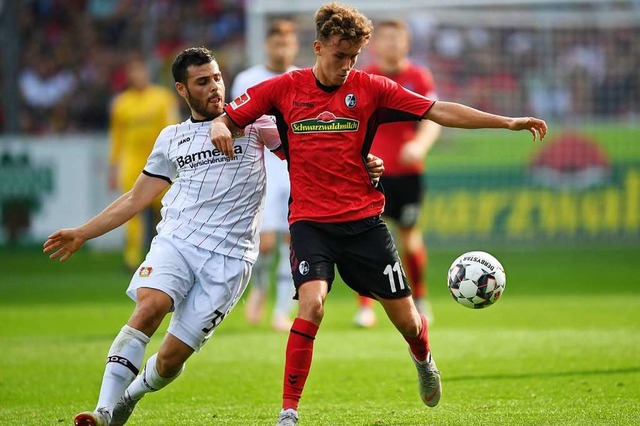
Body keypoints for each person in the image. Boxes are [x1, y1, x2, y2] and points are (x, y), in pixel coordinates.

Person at [209, 3, 547, 425]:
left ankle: (423, 359)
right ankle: (289, 411)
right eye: (338, 57)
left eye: (353, 57)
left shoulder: (371, 87)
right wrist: (221, 125)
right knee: (311, 306)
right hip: (311, 223)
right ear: (317, 47)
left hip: (364, 224)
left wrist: (506, 122)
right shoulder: (283, 88)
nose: (347, 66)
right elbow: (229, 116)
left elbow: (436, 109)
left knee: (408, 322)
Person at [43, 46, 384, 426]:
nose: (214, 87)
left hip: (230, 260)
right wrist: (82, 233)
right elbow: (136, 198)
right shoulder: (171, 138)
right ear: (182, 90)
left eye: (217, 78)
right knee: (150, 306)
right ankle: (103, 411)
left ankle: (131, 395)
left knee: (171, 360)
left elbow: (313, 154)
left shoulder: (256, 125)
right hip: (177, 242)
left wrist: (363, 165)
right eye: (202, 82)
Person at [354, 20, 442, 328]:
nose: (391, 44)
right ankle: (365, 306)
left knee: (409, 236)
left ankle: (419, 297)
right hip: (371, 171)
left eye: (397, 39)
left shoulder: (418, 76)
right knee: (363, 238)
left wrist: (419, 145)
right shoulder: (367, 77)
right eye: (386, 39)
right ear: (377, 45)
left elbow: (434, 117)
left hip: (407, 173)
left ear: (406, 43)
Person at [231, 19, 299, 332]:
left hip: (295, 168)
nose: (282, 46)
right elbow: (236, 124)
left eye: (287, 41)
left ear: (295, 45)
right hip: (262, 169)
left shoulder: (302, 78)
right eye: (277, 41)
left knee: (293, 241)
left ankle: (282, 311)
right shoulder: (247, 79)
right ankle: (260, 287)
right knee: (266, 243)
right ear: (267, 45)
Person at [108, 55, 179, 272]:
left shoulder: (162, 98)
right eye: (133, 73)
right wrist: (113, 166)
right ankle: (131, 259)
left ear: (147, 74)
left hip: (160, 162)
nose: (138, 76)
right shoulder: (121, 103)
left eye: (141, 71)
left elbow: (173, 128)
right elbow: (116, 137)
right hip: (132, 162)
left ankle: (170, 254)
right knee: (131, 212)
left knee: (169, 210)